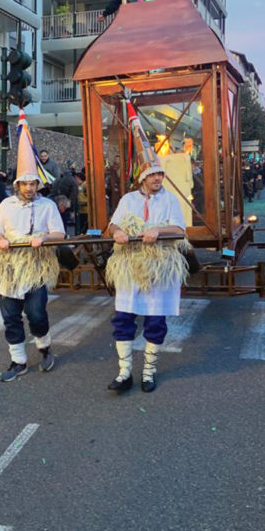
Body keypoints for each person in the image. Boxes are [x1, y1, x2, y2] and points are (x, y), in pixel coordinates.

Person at [104, 102, 188, 394]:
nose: (157, 178)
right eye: (152, 174)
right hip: (130, 266)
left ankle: (149, 372)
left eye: (160, 174)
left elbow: (179, 230)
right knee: (124, 318)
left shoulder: (171, 200)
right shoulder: (128, 200)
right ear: (142, 176)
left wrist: (158, 230)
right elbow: (112, 226)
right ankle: (125, 372)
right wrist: (118, 233)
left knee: (155, 321)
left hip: (159, 266)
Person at [0, 109, 65, 382]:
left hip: (35, 267)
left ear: (38, 184)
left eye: (33, 183)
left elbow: (60, 235)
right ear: (18, 184)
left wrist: (43, 238)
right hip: (9, 267)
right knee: (10, 316)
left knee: (36, 313)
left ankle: (44, 347)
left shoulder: (47, 206)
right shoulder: (5, 204)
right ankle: (18, 361)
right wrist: (1, 241)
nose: (30, 187)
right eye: (25, 183)